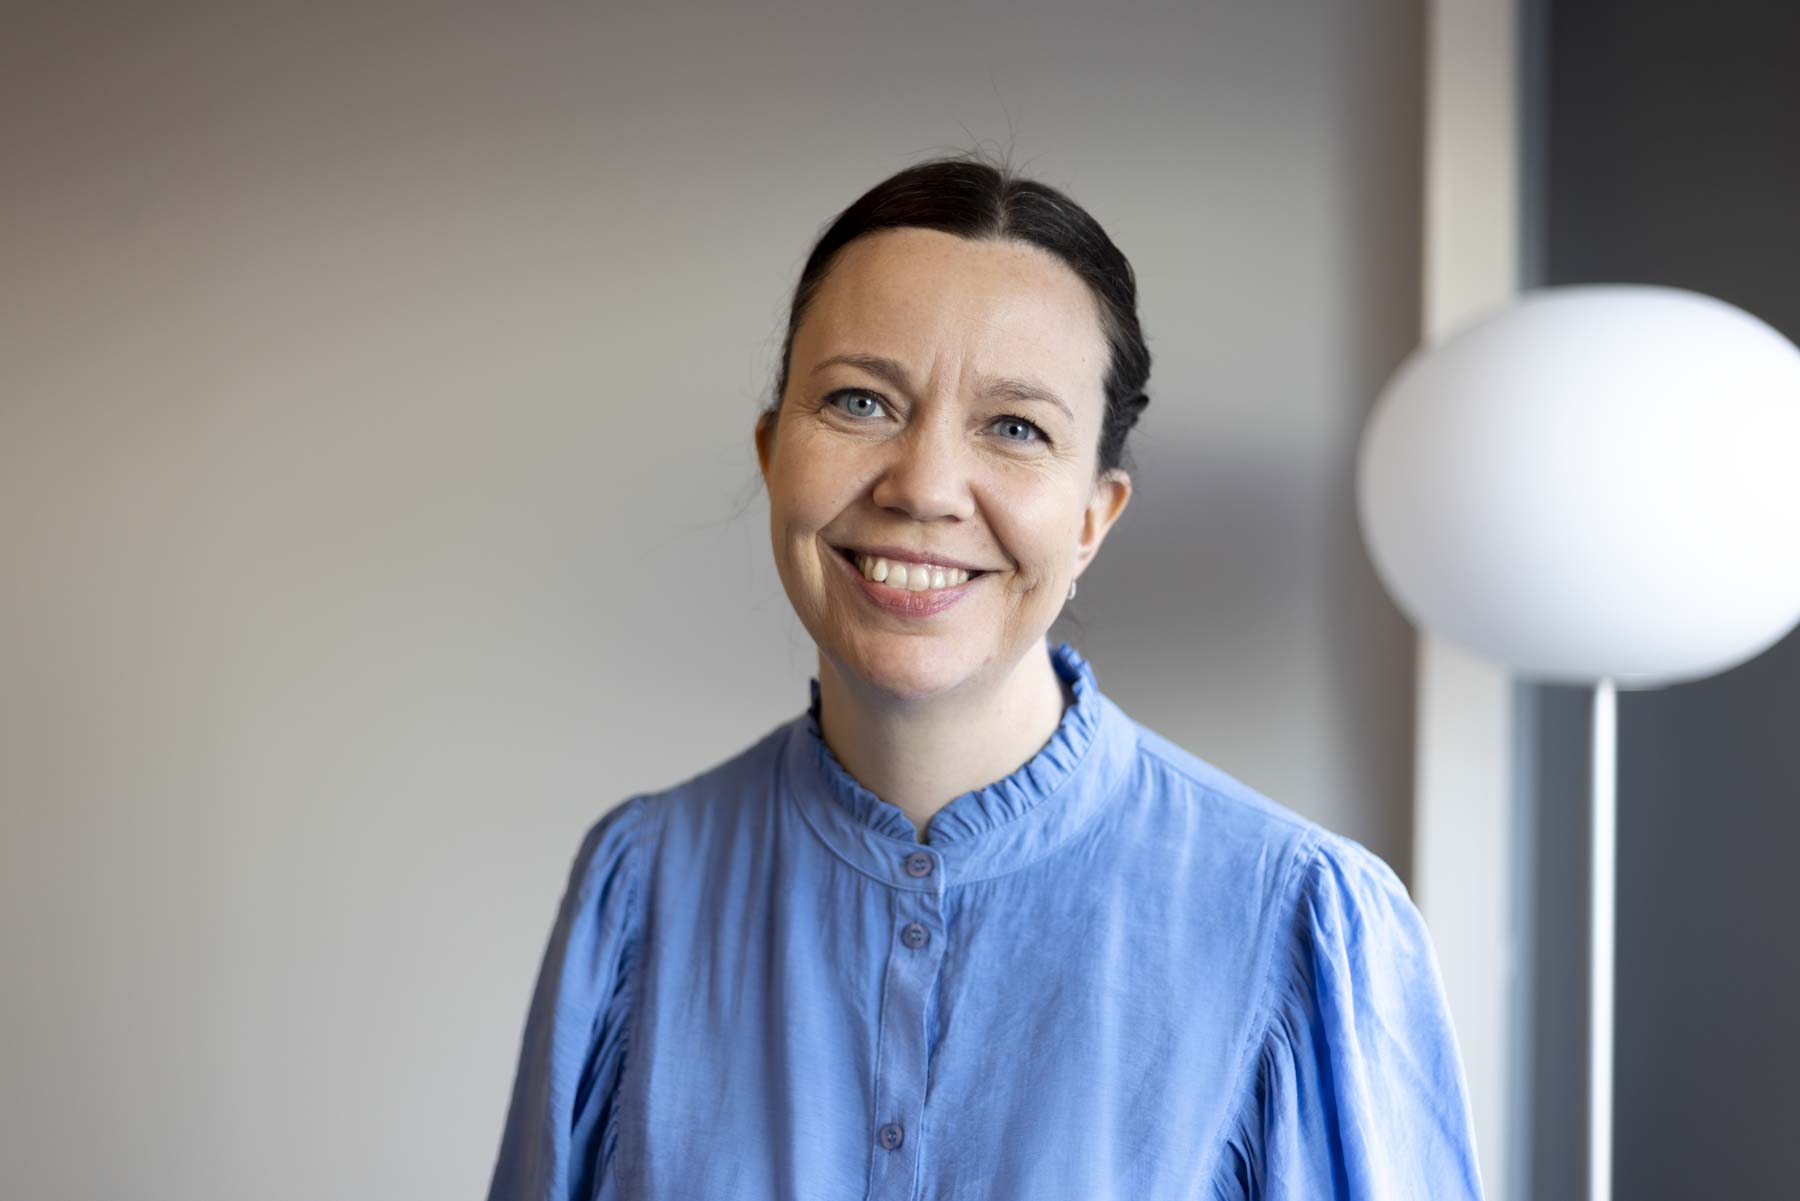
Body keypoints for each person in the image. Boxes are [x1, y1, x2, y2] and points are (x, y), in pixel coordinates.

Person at [484, 152, 1486, 1201]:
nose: (923, 486)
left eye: (1015, 427)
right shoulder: (638, 886)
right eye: (861, 401)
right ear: (774, 452)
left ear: (1094, 516)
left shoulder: (1299, 923)